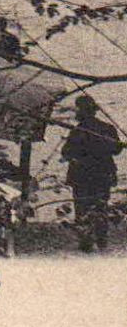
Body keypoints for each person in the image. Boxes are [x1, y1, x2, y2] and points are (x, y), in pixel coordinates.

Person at [62, 96, 123, 252]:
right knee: (100, 206)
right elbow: (117, 149)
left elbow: (66, 152)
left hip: (81, 175)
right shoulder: (107, 128)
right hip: (103, 174)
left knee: (82, 207)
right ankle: (101, 239)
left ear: (82, 111)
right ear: (94, 111)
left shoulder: (78, 130)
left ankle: (86, 242)